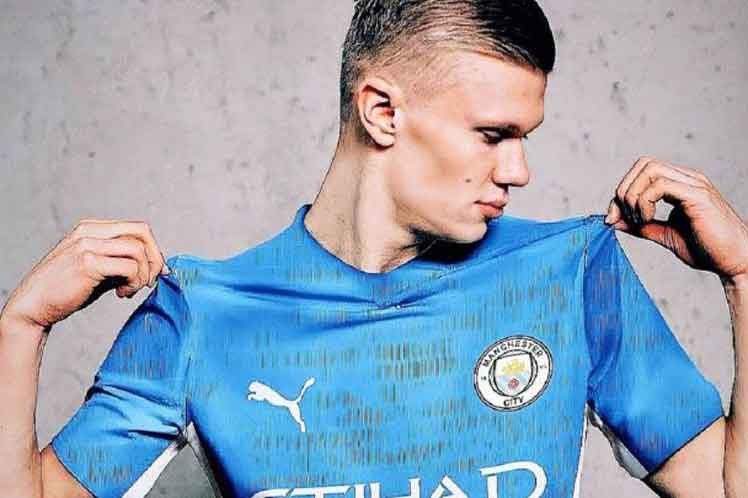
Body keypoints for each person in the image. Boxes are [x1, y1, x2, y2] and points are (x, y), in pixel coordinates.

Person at [1, 1, 746, 497]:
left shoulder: (570, 275)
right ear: (383, 112)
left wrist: (744, 275)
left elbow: (723, 486)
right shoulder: (204, 314)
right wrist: (20, 328)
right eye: (493, 136)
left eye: (525, 138)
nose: (519, 171)